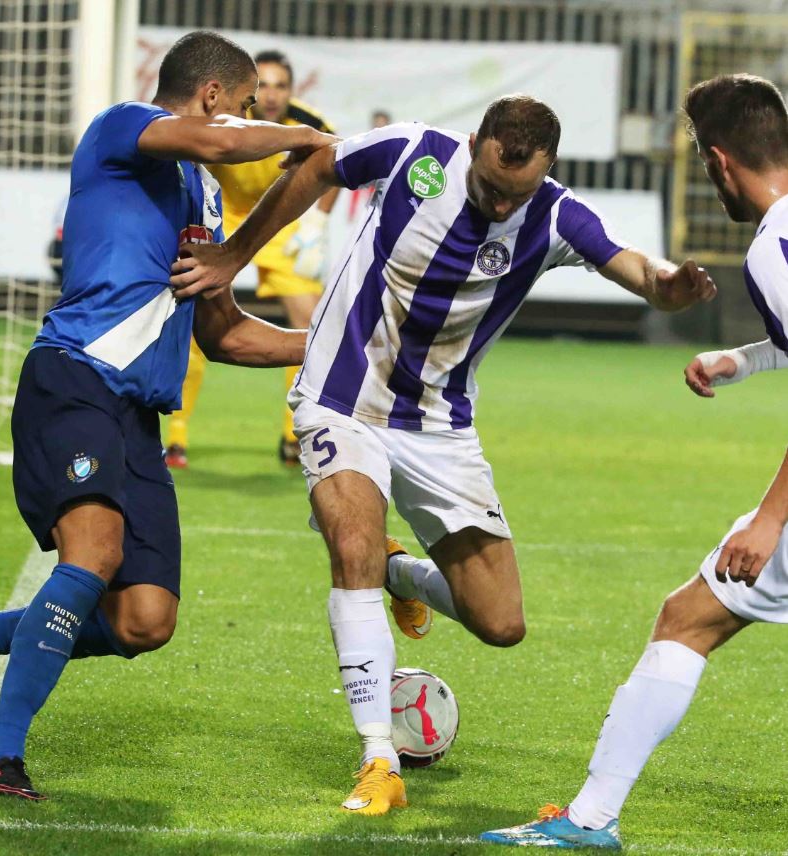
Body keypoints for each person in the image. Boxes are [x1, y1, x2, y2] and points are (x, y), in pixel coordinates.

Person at [169, 94, 717, 815]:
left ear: (545, 171)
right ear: (473, 143)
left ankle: (401, 572)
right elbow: (317, 166)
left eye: (514, 193)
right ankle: (377, 758)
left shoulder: (554, 215)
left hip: (438, 425)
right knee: (350, 546)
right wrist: (236, 253)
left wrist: (671, 288)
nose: (498, 204)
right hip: (341, 395)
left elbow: (641, 272)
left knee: (499, 622)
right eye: (490, 185)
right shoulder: (414, 152)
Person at [0, 30, 333, 800]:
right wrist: (311, 135)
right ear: (213, 98)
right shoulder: (121, 127)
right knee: (94, 552)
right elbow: (216, 139)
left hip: (136, 418)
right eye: (244, 106)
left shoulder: (203, 196)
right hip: (74, 380)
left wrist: (336, 344)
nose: (247, 122)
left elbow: (226, 334)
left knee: (145, 621)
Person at [479, 73, 788, 850]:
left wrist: (772, 520)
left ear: (719, 162)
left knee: (688, 620)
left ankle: (589, 820)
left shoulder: (774, 247)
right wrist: (746, 363)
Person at [164, 49, 338, 469]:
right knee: (194, 318)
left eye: (282, 86)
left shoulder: (311, 124)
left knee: (309, 320)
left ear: (292, 90)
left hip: (279, 223)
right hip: (223, 215)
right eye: (266, 86)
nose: (273, 96)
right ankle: (176, 437)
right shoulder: (227, 119)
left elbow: (336, 166)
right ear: (253, 90)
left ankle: (295, 435)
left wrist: (316, 223)